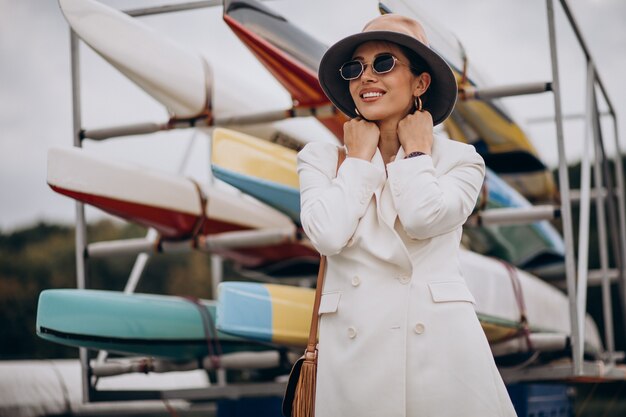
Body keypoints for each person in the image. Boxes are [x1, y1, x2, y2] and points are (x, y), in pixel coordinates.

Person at [296, 13, 518, 417]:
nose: (366, 76)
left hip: (439, 357)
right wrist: (359, 160)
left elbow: (422, 218)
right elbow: (326, 236)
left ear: (420, 82)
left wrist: (416, 153)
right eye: (355, 68)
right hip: (352, 361)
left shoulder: (460, 160)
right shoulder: (320, 159)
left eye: (384, 63)